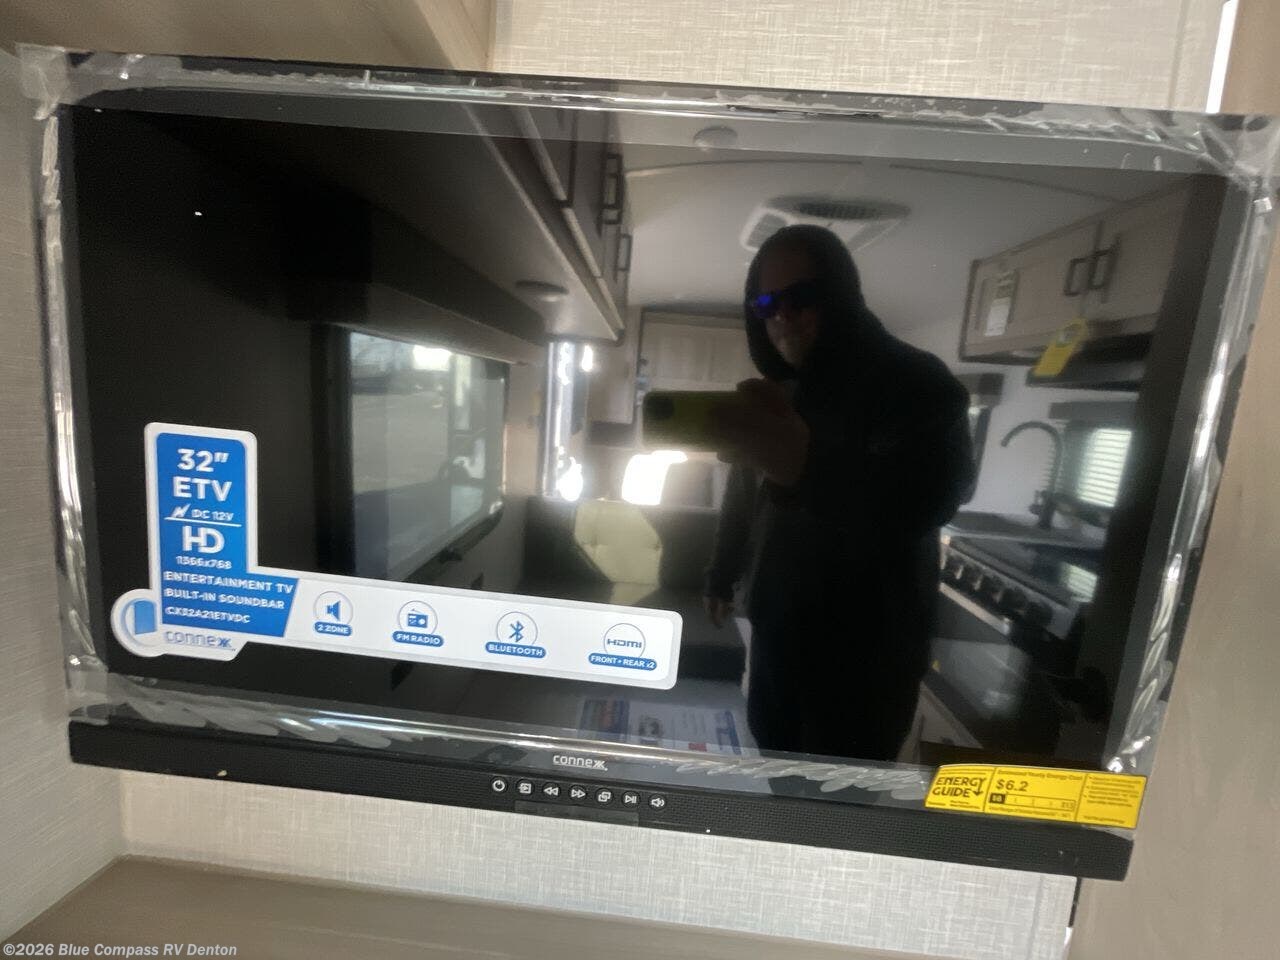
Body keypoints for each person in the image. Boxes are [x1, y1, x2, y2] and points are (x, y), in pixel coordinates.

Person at [704, 224, 974, 761]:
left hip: (868, 658)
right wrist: (721, 572)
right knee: (777, 765)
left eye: (801, 297)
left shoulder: (917, 382)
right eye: (766, 303)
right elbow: (744, 491)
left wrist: (807, 470)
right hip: (780, 636)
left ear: (840, 295)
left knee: (840, 795)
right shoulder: (780, 392)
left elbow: (929, 499)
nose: (783, 315)